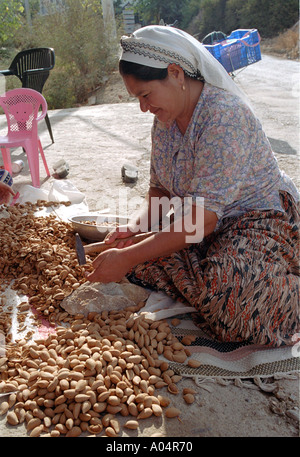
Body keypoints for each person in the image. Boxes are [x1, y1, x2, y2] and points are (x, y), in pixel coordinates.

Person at [87, 25, 299, 347]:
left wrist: (130, 255)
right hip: (203, 225)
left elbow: (203, 220)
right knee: (138, 260)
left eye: (146, 95)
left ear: (175, 73)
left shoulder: (223, 117)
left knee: (228, 299)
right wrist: (133, 230)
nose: (144, 107)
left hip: (258, 218)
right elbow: (159, 193)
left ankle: (281, 285)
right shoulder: (165, 122)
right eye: (138, 99)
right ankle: (212, 273)